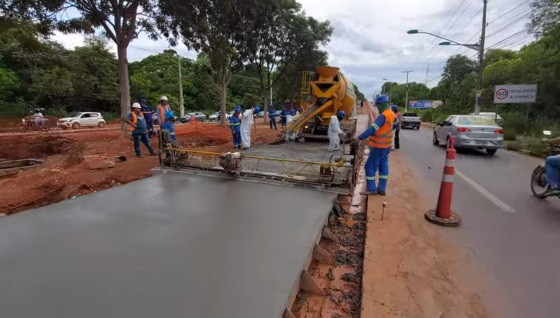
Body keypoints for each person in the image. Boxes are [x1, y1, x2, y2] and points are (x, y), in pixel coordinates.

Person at [355, 94, 399, 196]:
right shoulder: (391, 113)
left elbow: (372, 129)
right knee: (383, 166)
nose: (378, 107)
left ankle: (371, 189)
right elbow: (396, 123)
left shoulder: (382, 116)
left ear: (381, 105)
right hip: (387, 146)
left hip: (379, 146)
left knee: (369, 167)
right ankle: (381, 189)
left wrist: (359, 138)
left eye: (378, 105)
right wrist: (388, 131)